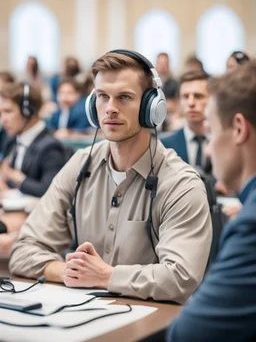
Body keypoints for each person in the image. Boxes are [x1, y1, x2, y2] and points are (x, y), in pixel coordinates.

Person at [9, 50, 212, 303]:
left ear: (152, 107)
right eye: (103, 96)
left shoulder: (181, 184)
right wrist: (71, 272)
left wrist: (106, 276)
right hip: (84, 317)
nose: (110, 109)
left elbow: (181, 278)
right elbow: (23, 251)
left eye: (124, 97)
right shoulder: (81, 165)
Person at [166, 60, 256, 341]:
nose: (210, 146)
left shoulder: (249, 226)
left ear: (239, 129)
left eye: (213, 131)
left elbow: (188, 334)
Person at [0, 82, 67, 197]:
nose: (3, 120)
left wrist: (14, 175)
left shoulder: (50, 147)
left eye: (8, 111)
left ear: (28, 111)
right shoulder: (12, 141)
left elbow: (49, 191)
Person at [161, 71, 210, 169]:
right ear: (179, 101)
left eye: (198, 96)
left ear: (211, 99)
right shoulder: (164, 147)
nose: (191, 103)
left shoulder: (226, 145)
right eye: (185, 96)